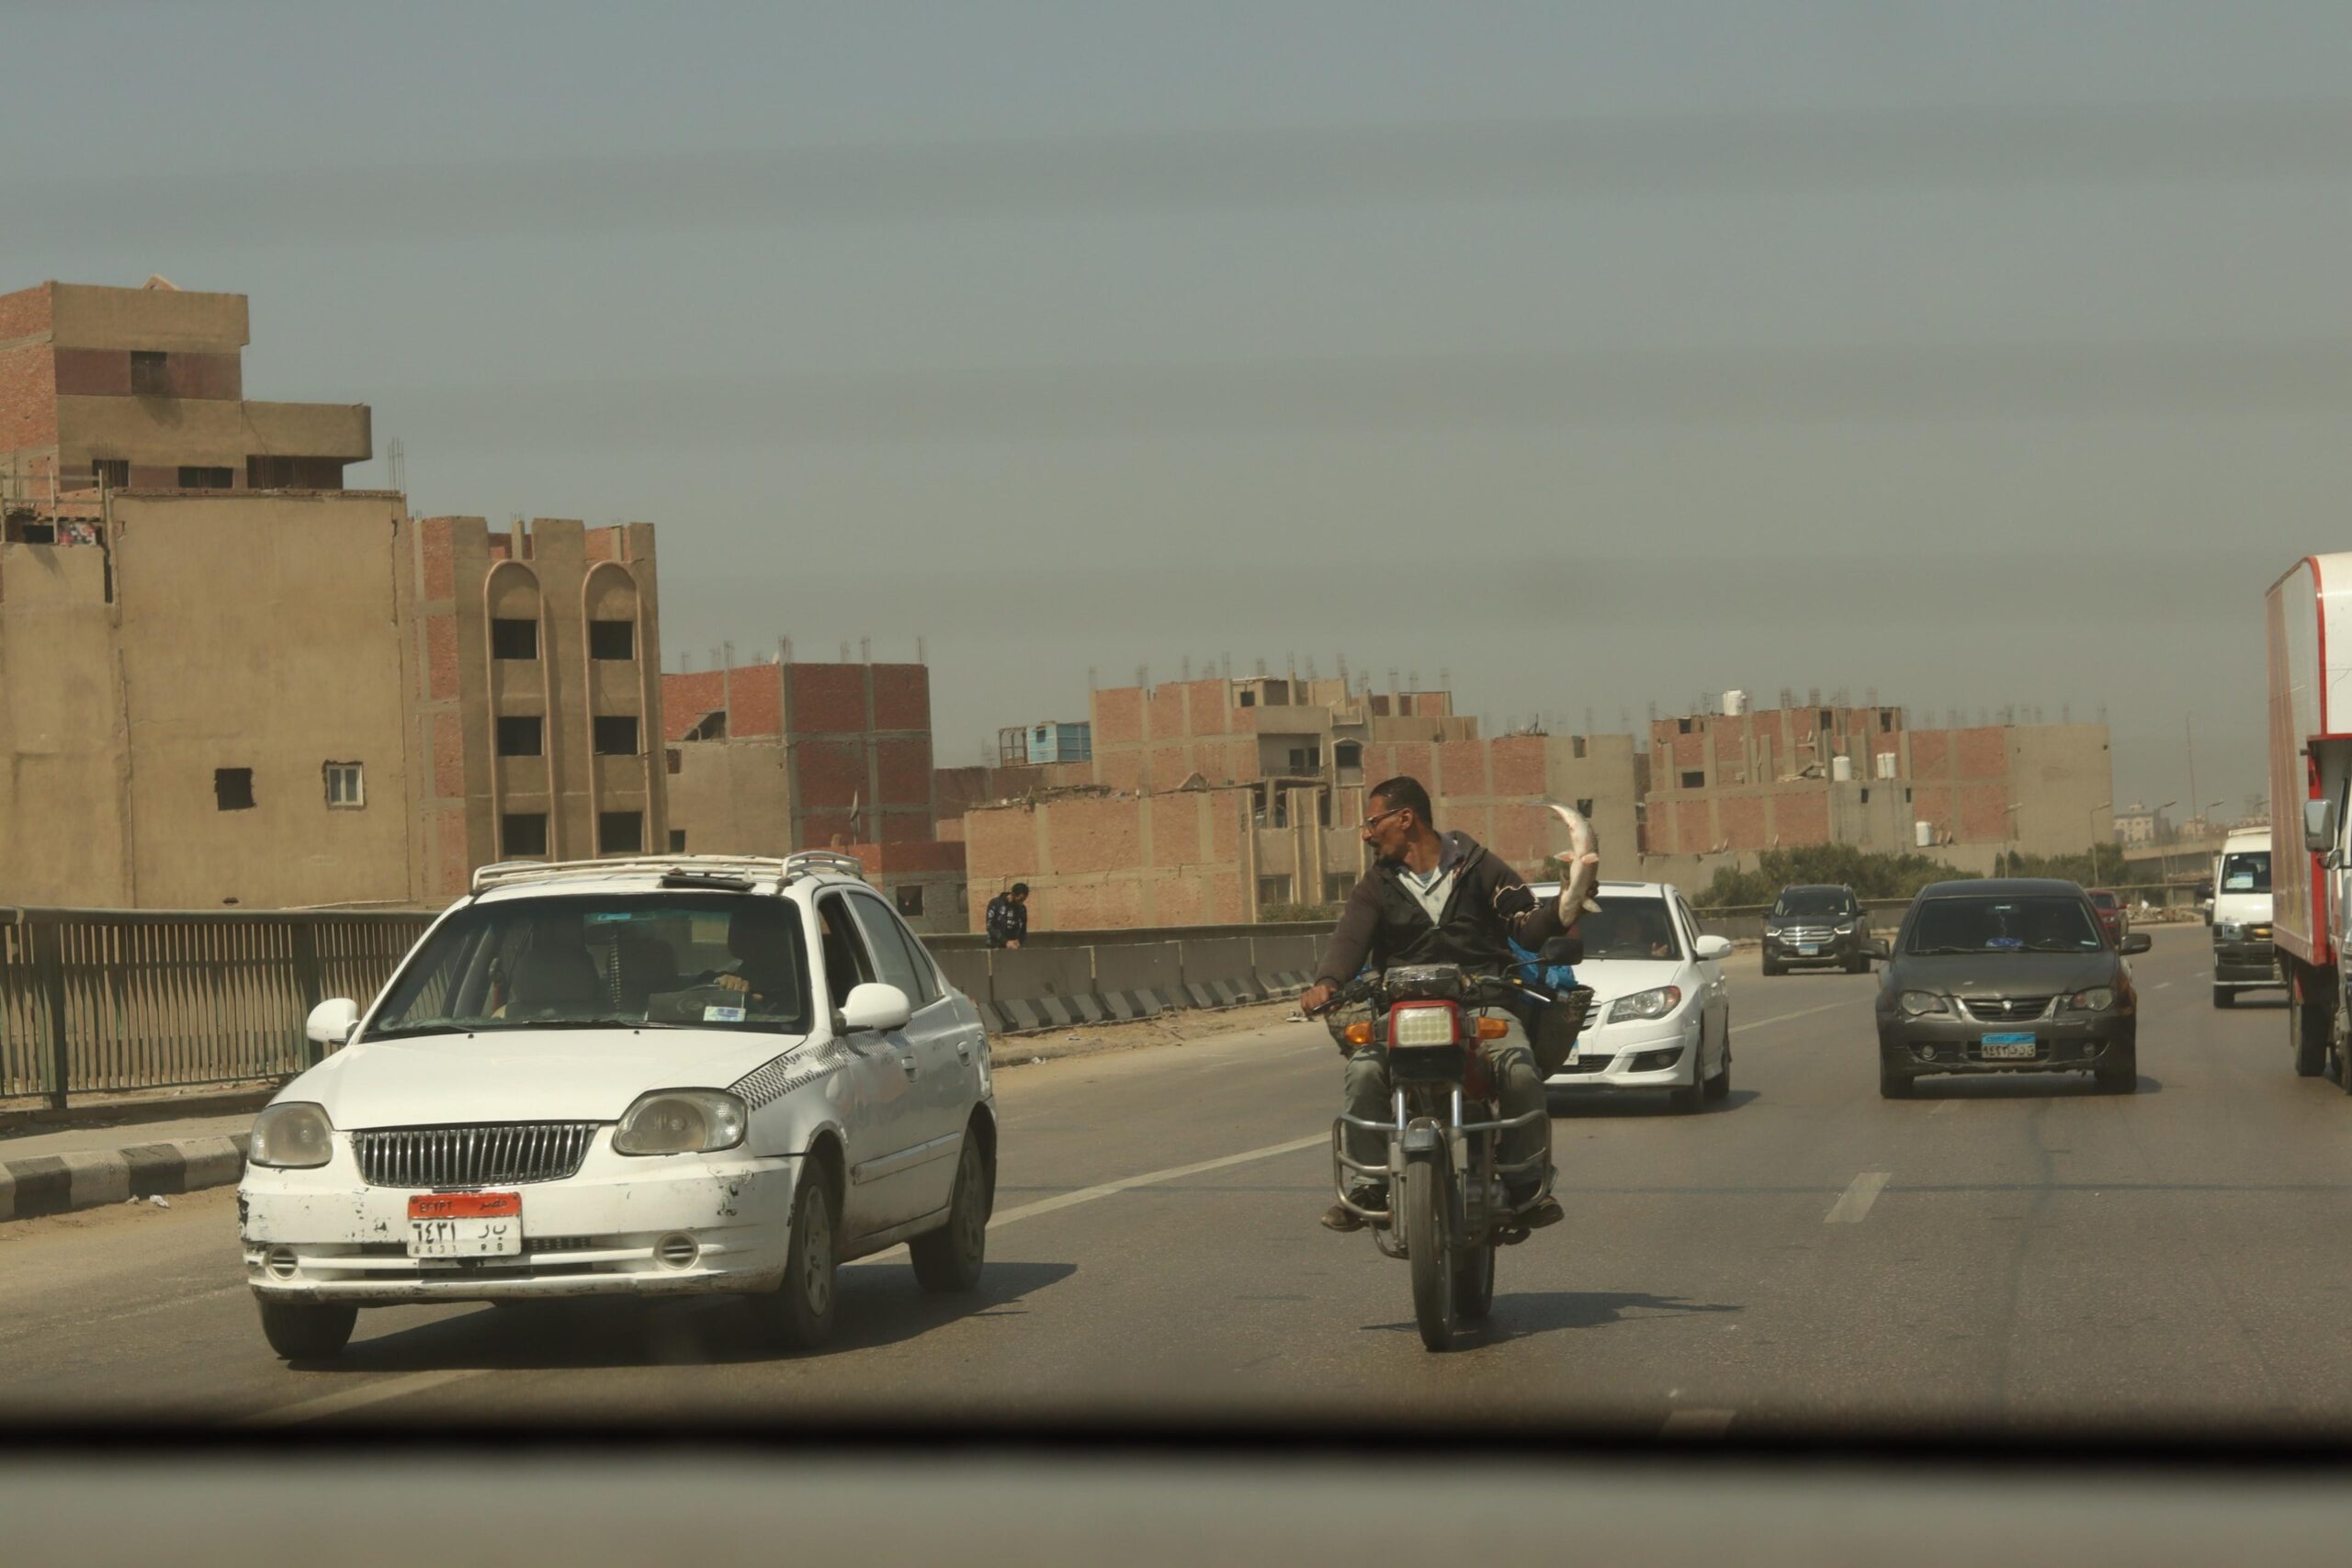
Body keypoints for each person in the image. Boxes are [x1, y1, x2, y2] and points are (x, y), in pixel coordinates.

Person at [1298, 776, 1574, 1235]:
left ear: (1405, 819)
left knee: (1519, 1069)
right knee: (1365, 1070)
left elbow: (1525, 925)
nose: (1367, 833)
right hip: (1402, 1012)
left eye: (1372, 822)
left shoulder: (1479, 867)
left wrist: (1565, 909)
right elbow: (1350, 938)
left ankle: (1526, 1180)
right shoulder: (1376, 884)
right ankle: (1368, 1182)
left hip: (1482, 1004)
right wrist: (1327, 982)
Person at [986, 884, 1030, 950]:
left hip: (1013, 948)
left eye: (1024, 900)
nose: (1021, 903)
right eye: (1020, 899)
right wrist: (1006, 942)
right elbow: (990, 926)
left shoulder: (1022, 909)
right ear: (1013, 894)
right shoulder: (995, 903)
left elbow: (1023, 930)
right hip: (995, 947)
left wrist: (1019, 941)